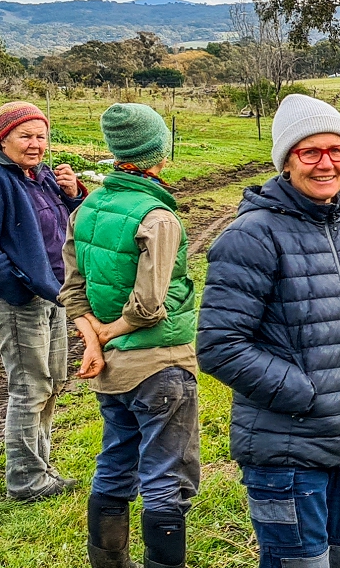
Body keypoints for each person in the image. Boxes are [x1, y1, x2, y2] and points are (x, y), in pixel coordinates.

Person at [197, 94, 340, 568]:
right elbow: (219, 345)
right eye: (310, 152)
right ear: (286, 160)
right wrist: (306, 393)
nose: (326, 163)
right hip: (286, 446)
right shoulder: (253, 235)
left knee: (339, 559)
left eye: (338, 150)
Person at [60, 103, 199, 568]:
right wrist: (115, 330)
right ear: (160, 152)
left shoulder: (87, 208)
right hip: (160, 366)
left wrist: (96, 340)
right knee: (166, 478)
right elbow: (147, 306)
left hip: (113, 370)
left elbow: (72, 291)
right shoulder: (158, 217)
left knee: (115, 464)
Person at [0, 100, 84, 502]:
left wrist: (72, 194)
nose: (35, 144)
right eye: (25, 136)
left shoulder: (42, 176)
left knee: (52, 383)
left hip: (54, 292)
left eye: (41, 136)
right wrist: (16, 282)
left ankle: (41, 467)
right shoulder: (3, 179)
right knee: (29, 387)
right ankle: (24, 479)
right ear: (4, 138)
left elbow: (72, 226)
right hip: (20, 300)